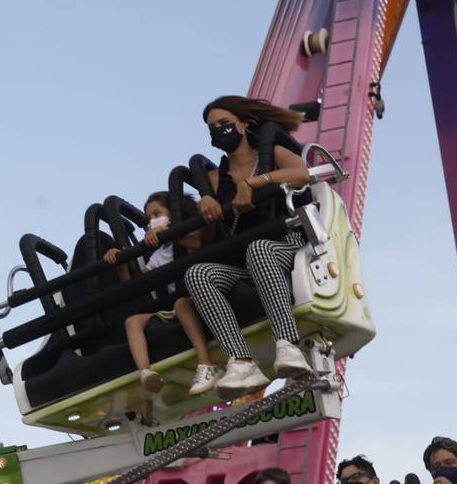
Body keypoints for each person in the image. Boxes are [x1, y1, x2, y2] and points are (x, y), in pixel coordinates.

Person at [182, 95, 312, 399]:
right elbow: (203, 217)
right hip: (244, 260)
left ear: (243, 123)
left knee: (260, 249)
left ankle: (288, 344)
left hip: (287, 246)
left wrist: (255, 183)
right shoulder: (218, 177)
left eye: (225, 124)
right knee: (198, 274)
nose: (218, 131)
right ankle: (240, 360)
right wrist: (205, 198)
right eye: (212, 127)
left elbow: (301, 173)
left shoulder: (271, 152)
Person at [104, 192, 224, 396]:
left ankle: (206, 362)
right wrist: (120, 263)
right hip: (168, 309)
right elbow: (138, 285)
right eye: (149, 218)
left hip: (199, 295)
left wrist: (169, 233)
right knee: (132, 321)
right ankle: (145, 372)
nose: (152, 221)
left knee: (181, 304)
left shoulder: (191, 229)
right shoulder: (160, 252)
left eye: (157, 213)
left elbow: (198, 244)